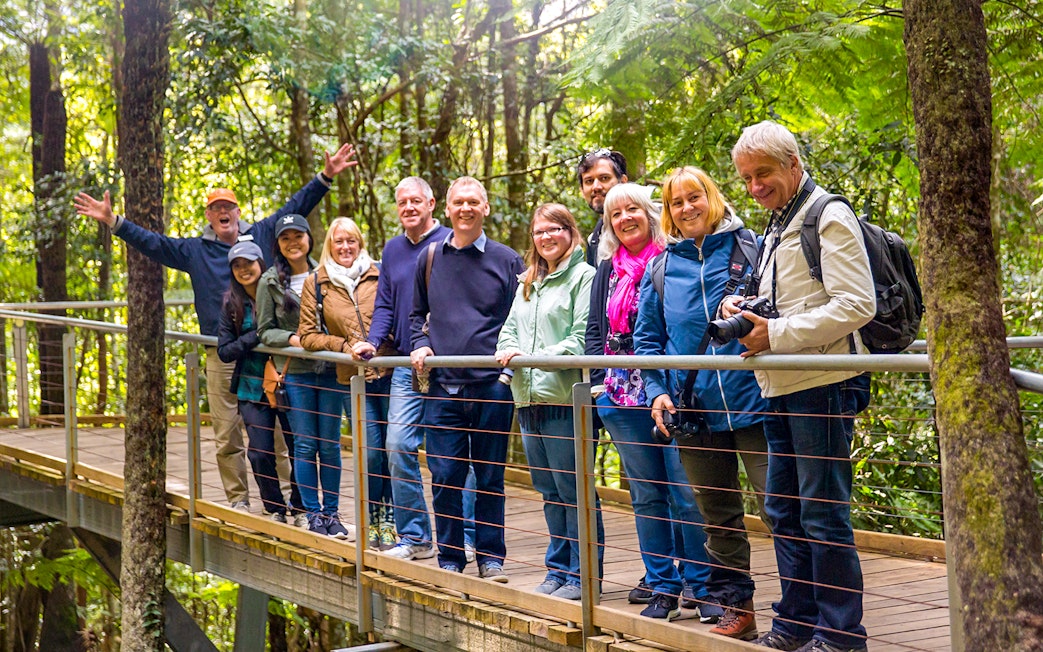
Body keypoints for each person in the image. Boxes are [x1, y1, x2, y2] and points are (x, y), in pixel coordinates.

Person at [73, 144, 358, 510]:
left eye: (229, 207)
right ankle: (239, 501)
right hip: (222, 353)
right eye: (216, 209)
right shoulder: (195, 250)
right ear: (209, 216)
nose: (223, 213)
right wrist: (115, 222)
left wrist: (327, 176)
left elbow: (296, 208)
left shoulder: (263, 234)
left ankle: (292, 503)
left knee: (279, 435)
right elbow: (154, 244)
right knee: (226, 433)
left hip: (271, 352)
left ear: (238, 212)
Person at [727, 120, 874, 652]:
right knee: (783, 508)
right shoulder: (775, 223)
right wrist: (743, 311)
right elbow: (790, 301)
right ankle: (797, 619)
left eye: (762, 173)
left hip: (823, 383)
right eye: (745, 178)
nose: (754, 187)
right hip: (779, 384)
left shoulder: (826, 215)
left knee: (821, 511)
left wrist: (775, 333)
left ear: (793, 164)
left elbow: (857, 305)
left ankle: (840, 634)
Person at [633, 167, 770, 640]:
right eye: (676, 202)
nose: (687, 208)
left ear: (712, 197)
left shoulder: (749, 247)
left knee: (781, 507)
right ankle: (739, 611)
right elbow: (646, 338)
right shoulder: (663, 266)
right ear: (668, 212)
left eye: (695, 197)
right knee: (718, 516)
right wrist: (657, 391)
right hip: (695, 410)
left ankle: (804, 609)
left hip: (756, 402)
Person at [584, 182, 713, 622]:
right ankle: (662, 585)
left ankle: (702, 584)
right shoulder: (607, 269)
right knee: (646, 494)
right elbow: (595, 332)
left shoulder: (671, 260)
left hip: (670, 393)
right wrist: (600, 383)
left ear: (650, 213)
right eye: (615, 215)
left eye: (632, 210)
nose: (624, 219)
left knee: (685, 491)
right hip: (620, 397)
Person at [410, 176, 524, 581]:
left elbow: (521, 319)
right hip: (442, 387)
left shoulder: (508, 260)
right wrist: (420, 342)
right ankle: (450, 558)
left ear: (486, 208)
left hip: (492, 386)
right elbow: (414, 315)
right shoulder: (428, 258)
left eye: (474, 202)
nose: (466, 209)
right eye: (459, 202)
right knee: (445, 476)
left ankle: (491, 557)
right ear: (447, 209)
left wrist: (508, 373)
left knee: (490, 475)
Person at [352, 177, 470, 560]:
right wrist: (373, 339)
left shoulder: (454, 241)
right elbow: (385, 302)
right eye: (402, 202)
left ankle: (464, 538)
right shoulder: (393, 249)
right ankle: (415, 536)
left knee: (452, 454)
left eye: (415, 201)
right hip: (406, 362)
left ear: (432, 203)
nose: (408, 208)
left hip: (448, 364)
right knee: (397, 444)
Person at [495, 203, 603, 600]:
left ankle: (583, 574)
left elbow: (581, 338)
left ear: (570, 232)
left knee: (573, 489)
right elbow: (508, 332)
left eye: (554, 229)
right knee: (549, 489)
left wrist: (533, 360)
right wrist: (511, 353)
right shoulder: (527, 282)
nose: (546, 237)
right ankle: (558, 569)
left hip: (563, 398)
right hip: (527, 398)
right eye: (539, 232)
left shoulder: (584, 277)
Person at [298, 217, 393, 541]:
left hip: (392, 373)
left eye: (351, 240)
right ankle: (370, 520)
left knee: (395, 449)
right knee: (371, 451)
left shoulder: (380, 272)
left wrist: (382, 343)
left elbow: (395, 313)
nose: (345, 247)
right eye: (338, 241)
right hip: (352, 379)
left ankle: (388, 520)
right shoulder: (317, 281)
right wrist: (343, 346)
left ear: (360, 243)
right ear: (329, 246)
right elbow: (307, 336)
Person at [216, 241, 305, 525]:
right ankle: (274, 506)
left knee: (298, 446)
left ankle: (301, 506)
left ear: (260, 263)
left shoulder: (282, 289)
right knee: (261, 451)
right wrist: (259, 335)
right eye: (237, 266)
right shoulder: (231, 304)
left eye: (248, 263)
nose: (244, 270)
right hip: (252, 385)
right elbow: (225, 350)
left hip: (290, 381)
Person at [255, 213, 319, 530]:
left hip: (328, 371)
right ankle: (304, 508)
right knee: (301, 443)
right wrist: (292, 339)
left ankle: (326, 511)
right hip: (293, 373)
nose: (293, 243)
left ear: (309, 239)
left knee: (328, 446)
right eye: (285, 238)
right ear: (278, 245)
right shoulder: (269, 281)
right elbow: (264, 331)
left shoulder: (326, 274)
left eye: (298, 236)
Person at [576, 149, 628, 267]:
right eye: (589, 181)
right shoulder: (594, 240)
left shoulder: (653, 219)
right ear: (582, 191)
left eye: (604, 178)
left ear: (623, 182)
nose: (596, 187)